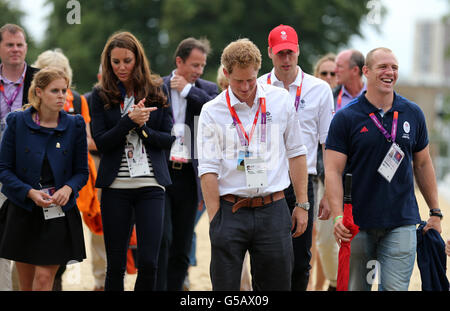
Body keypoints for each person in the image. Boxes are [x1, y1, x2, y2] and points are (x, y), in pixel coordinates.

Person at [325, 47, 443, 291]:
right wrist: (338, 216)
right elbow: (333, 171)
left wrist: (435, 211)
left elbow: (423, 163)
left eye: (394, 68)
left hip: (401, 222)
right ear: (366, 71)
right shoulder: (346, 117)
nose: (390, 72)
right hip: (357, 224)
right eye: (383, 67)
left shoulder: (413, 113)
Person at [197, 38, 309, 290]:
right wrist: (216, 221)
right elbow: (207, 169)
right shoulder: (211, 111)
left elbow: (297, 152)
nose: (246, 87)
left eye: (251, 79)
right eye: (238, 81)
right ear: (226, 74)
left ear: (258, 70)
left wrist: (302, 203)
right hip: (230, 210)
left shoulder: (280, 100)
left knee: (277, 286)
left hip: (274, 208)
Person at [90, 31, 174, 291]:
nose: (121, 67)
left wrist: (142, 128)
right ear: (108, 62)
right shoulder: (99, 94)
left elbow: (167, 139)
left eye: (127, 60)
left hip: (151, 185)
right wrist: (129, 121)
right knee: (115, 265)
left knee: (149, 262)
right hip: (116, 188)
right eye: (115, 62)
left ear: (137, 59)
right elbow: (101, 142)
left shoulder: (156, 89)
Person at [258, 24, 334, 291]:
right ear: (270, 53)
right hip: (266, 182)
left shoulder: (319, 89)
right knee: (267, 258)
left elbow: (329, 145)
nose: (286, 59)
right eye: (280, 53)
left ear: (298, 51)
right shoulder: (258, 87)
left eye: (290, 52)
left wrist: (329, 193)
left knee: (301, 258)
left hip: (306, 183)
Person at [0, 67, 88, 290]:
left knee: (43, 280)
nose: (61, 96)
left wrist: (68, 188)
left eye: (64, 90)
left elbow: (81, 172)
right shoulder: (17, 122)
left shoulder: (75, 125)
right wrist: (28, 192)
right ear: (38, 92)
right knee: (27, 285)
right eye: (54, 91)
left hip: (58, 212)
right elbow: (3, 169)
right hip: (22, 209)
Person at [157, 37, 218, 291]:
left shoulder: (207, 89)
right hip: (162, 172)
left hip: (189, 177)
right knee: (163, 238)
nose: (199, 71)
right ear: (179, 61)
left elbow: (214, 111)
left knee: (183, 242)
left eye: (202, 65)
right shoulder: (156, 87)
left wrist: (186, 91)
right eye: (194, 65)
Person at [0, 23, 39, 291]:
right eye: (9, 44)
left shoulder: (40, 80)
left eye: (20, 44)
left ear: (26, 47)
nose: (15, 49)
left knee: (29, 241)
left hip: (29, 172)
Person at [310, 53, 340, 291]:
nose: (329, 77)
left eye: (333, 73)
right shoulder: (312, 99)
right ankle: (320, 283)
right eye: (324, 73)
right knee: (316, 240)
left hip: (339, 179)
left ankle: (326, 284)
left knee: (326, 239)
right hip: (315, 177)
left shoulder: (347, 102)